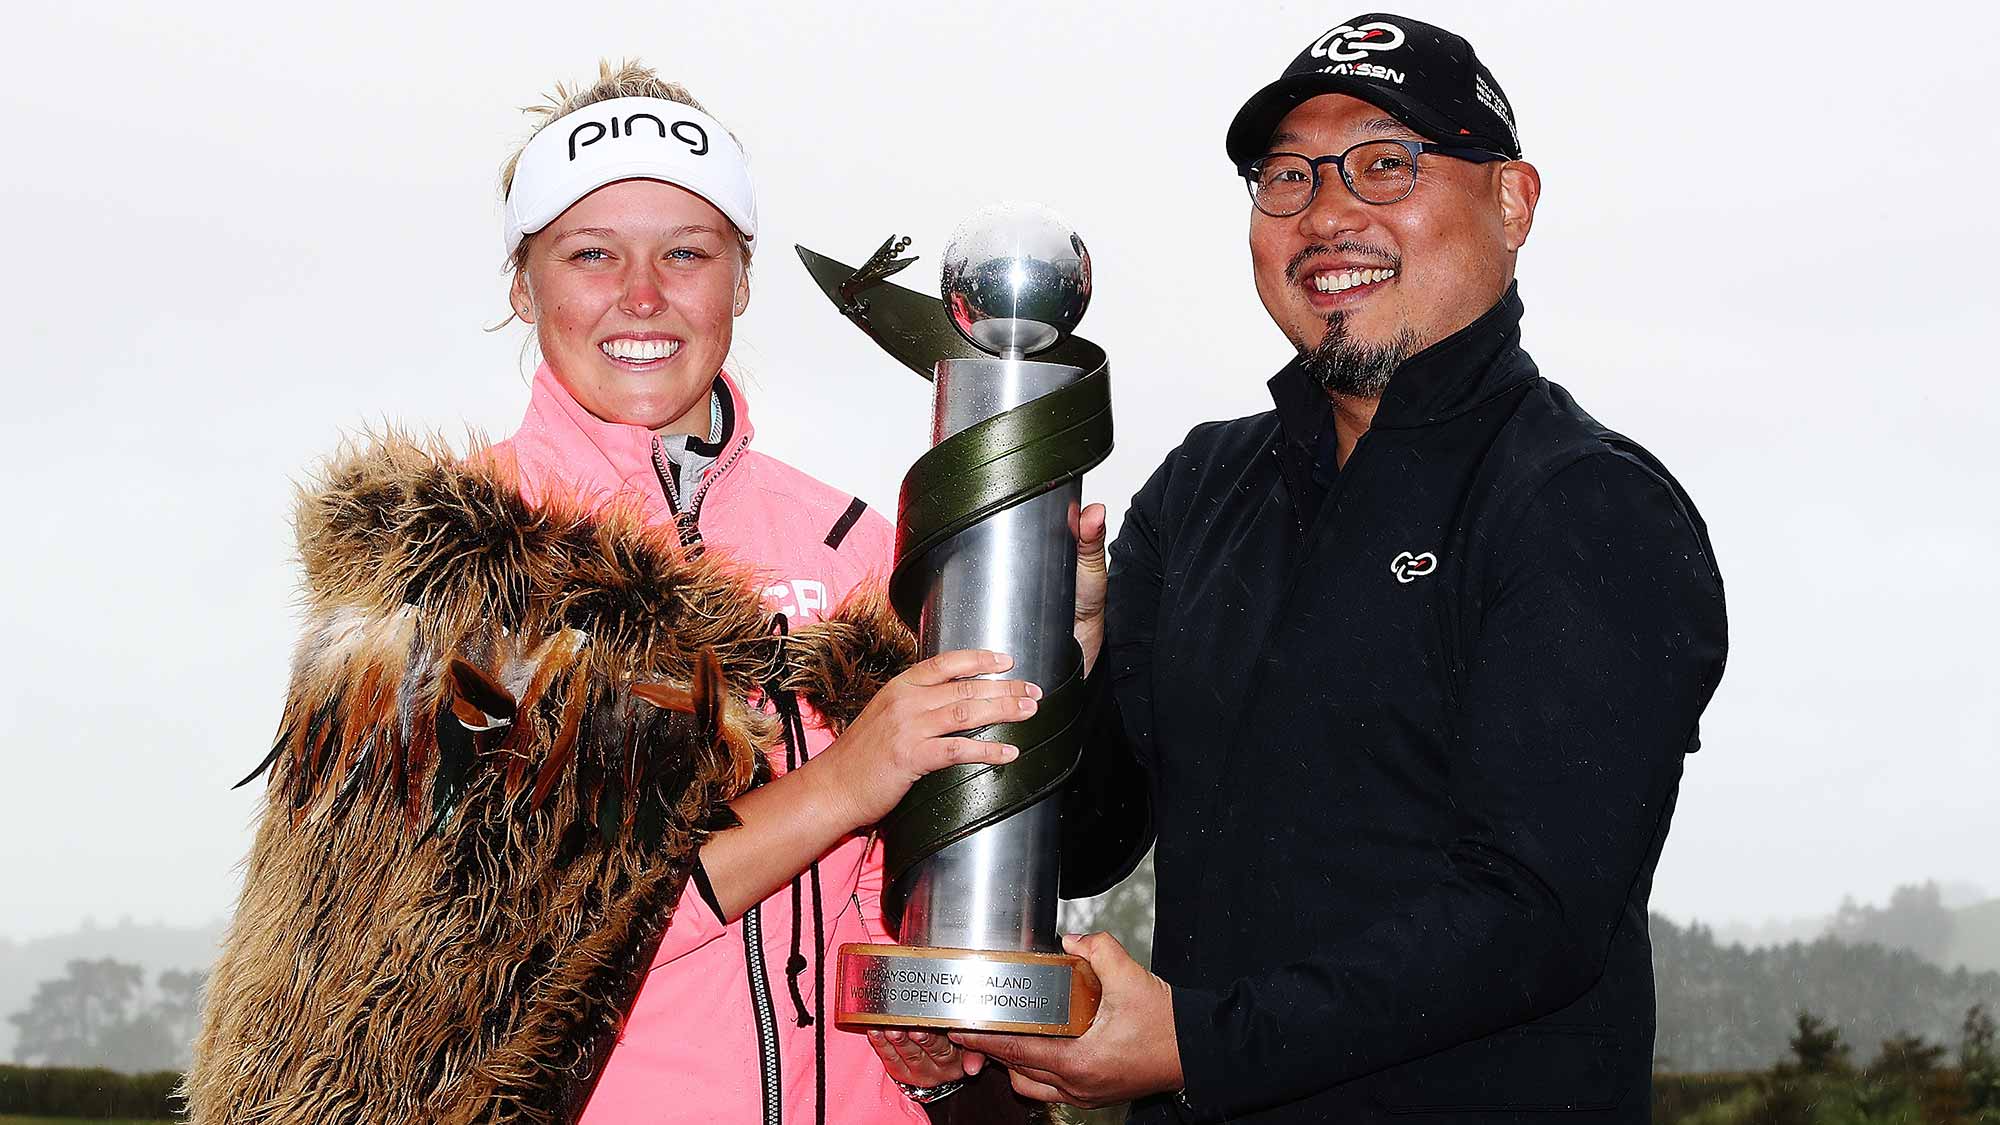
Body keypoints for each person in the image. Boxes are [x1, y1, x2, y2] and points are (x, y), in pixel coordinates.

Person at [186, 61, 1044, 1125]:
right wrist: (842, 785)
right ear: (522, 286)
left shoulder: (859, 542)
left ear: (738, 281)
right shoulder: (455, 560)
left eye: (687, 253)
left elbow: (909, 884)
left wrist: (1058, 621)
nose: (642, 297)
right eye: (590, 255)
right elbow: (513, 933)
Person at [940, 14, 1729, 1123]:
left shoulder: (1583, 505)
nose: (1326, 213)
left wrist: (1195, 1042)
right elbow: (1088, 841)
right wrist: (1056, 661)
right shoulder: (1203, 487)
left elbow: (1534, 912)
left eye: (1384, 163)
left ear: (1511, 202)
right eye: (1286, 177)